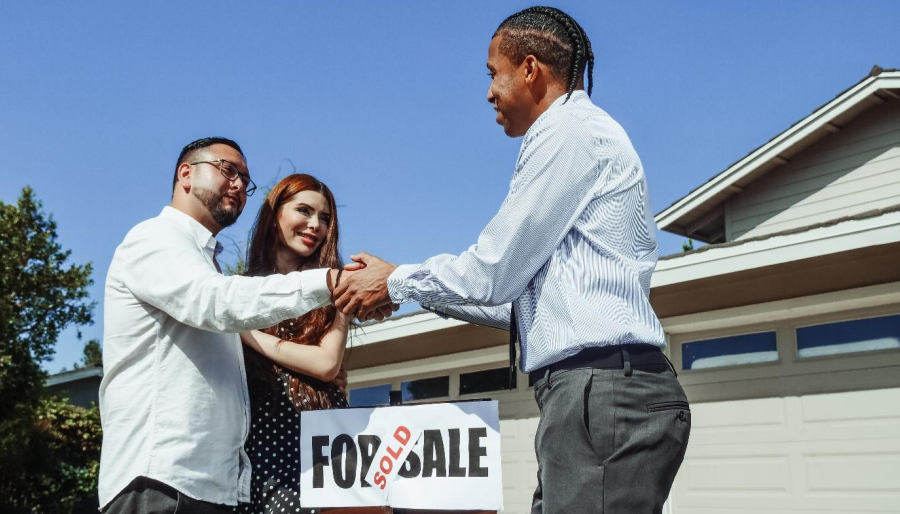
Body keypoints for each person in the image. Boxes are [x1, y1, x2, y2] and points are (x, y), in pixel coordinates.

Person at [334, 7, 690, 513]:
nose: (488, 92)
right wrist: (410, 289)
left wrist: (397, 282)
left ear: (529, 69)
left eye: (492, 73)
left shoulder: (569, 133)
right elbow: (517, 306)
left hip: (602, 394)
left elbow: (493, 272)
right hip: (594, 395)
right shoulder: (575, 134)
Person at [99, 138, 344, 514]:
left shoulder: (205, 263)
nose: (238, 185)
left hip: (214, 489)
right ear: (186, 174)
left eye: (245, 181)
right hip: (161, 483)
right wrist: (333, 283)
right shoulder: (154, 238)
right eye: (228, 170)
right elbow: (215, 301)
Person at [233, 173, 354, 514]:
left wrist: (246, 332)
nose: (315, 225)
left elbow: (326, 364)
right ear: (274, 216)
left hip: (321, 451)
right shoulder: (235, 291)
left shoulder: (336, 291)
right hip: (256, 451)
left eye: (325, 218)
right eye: (304, 210)